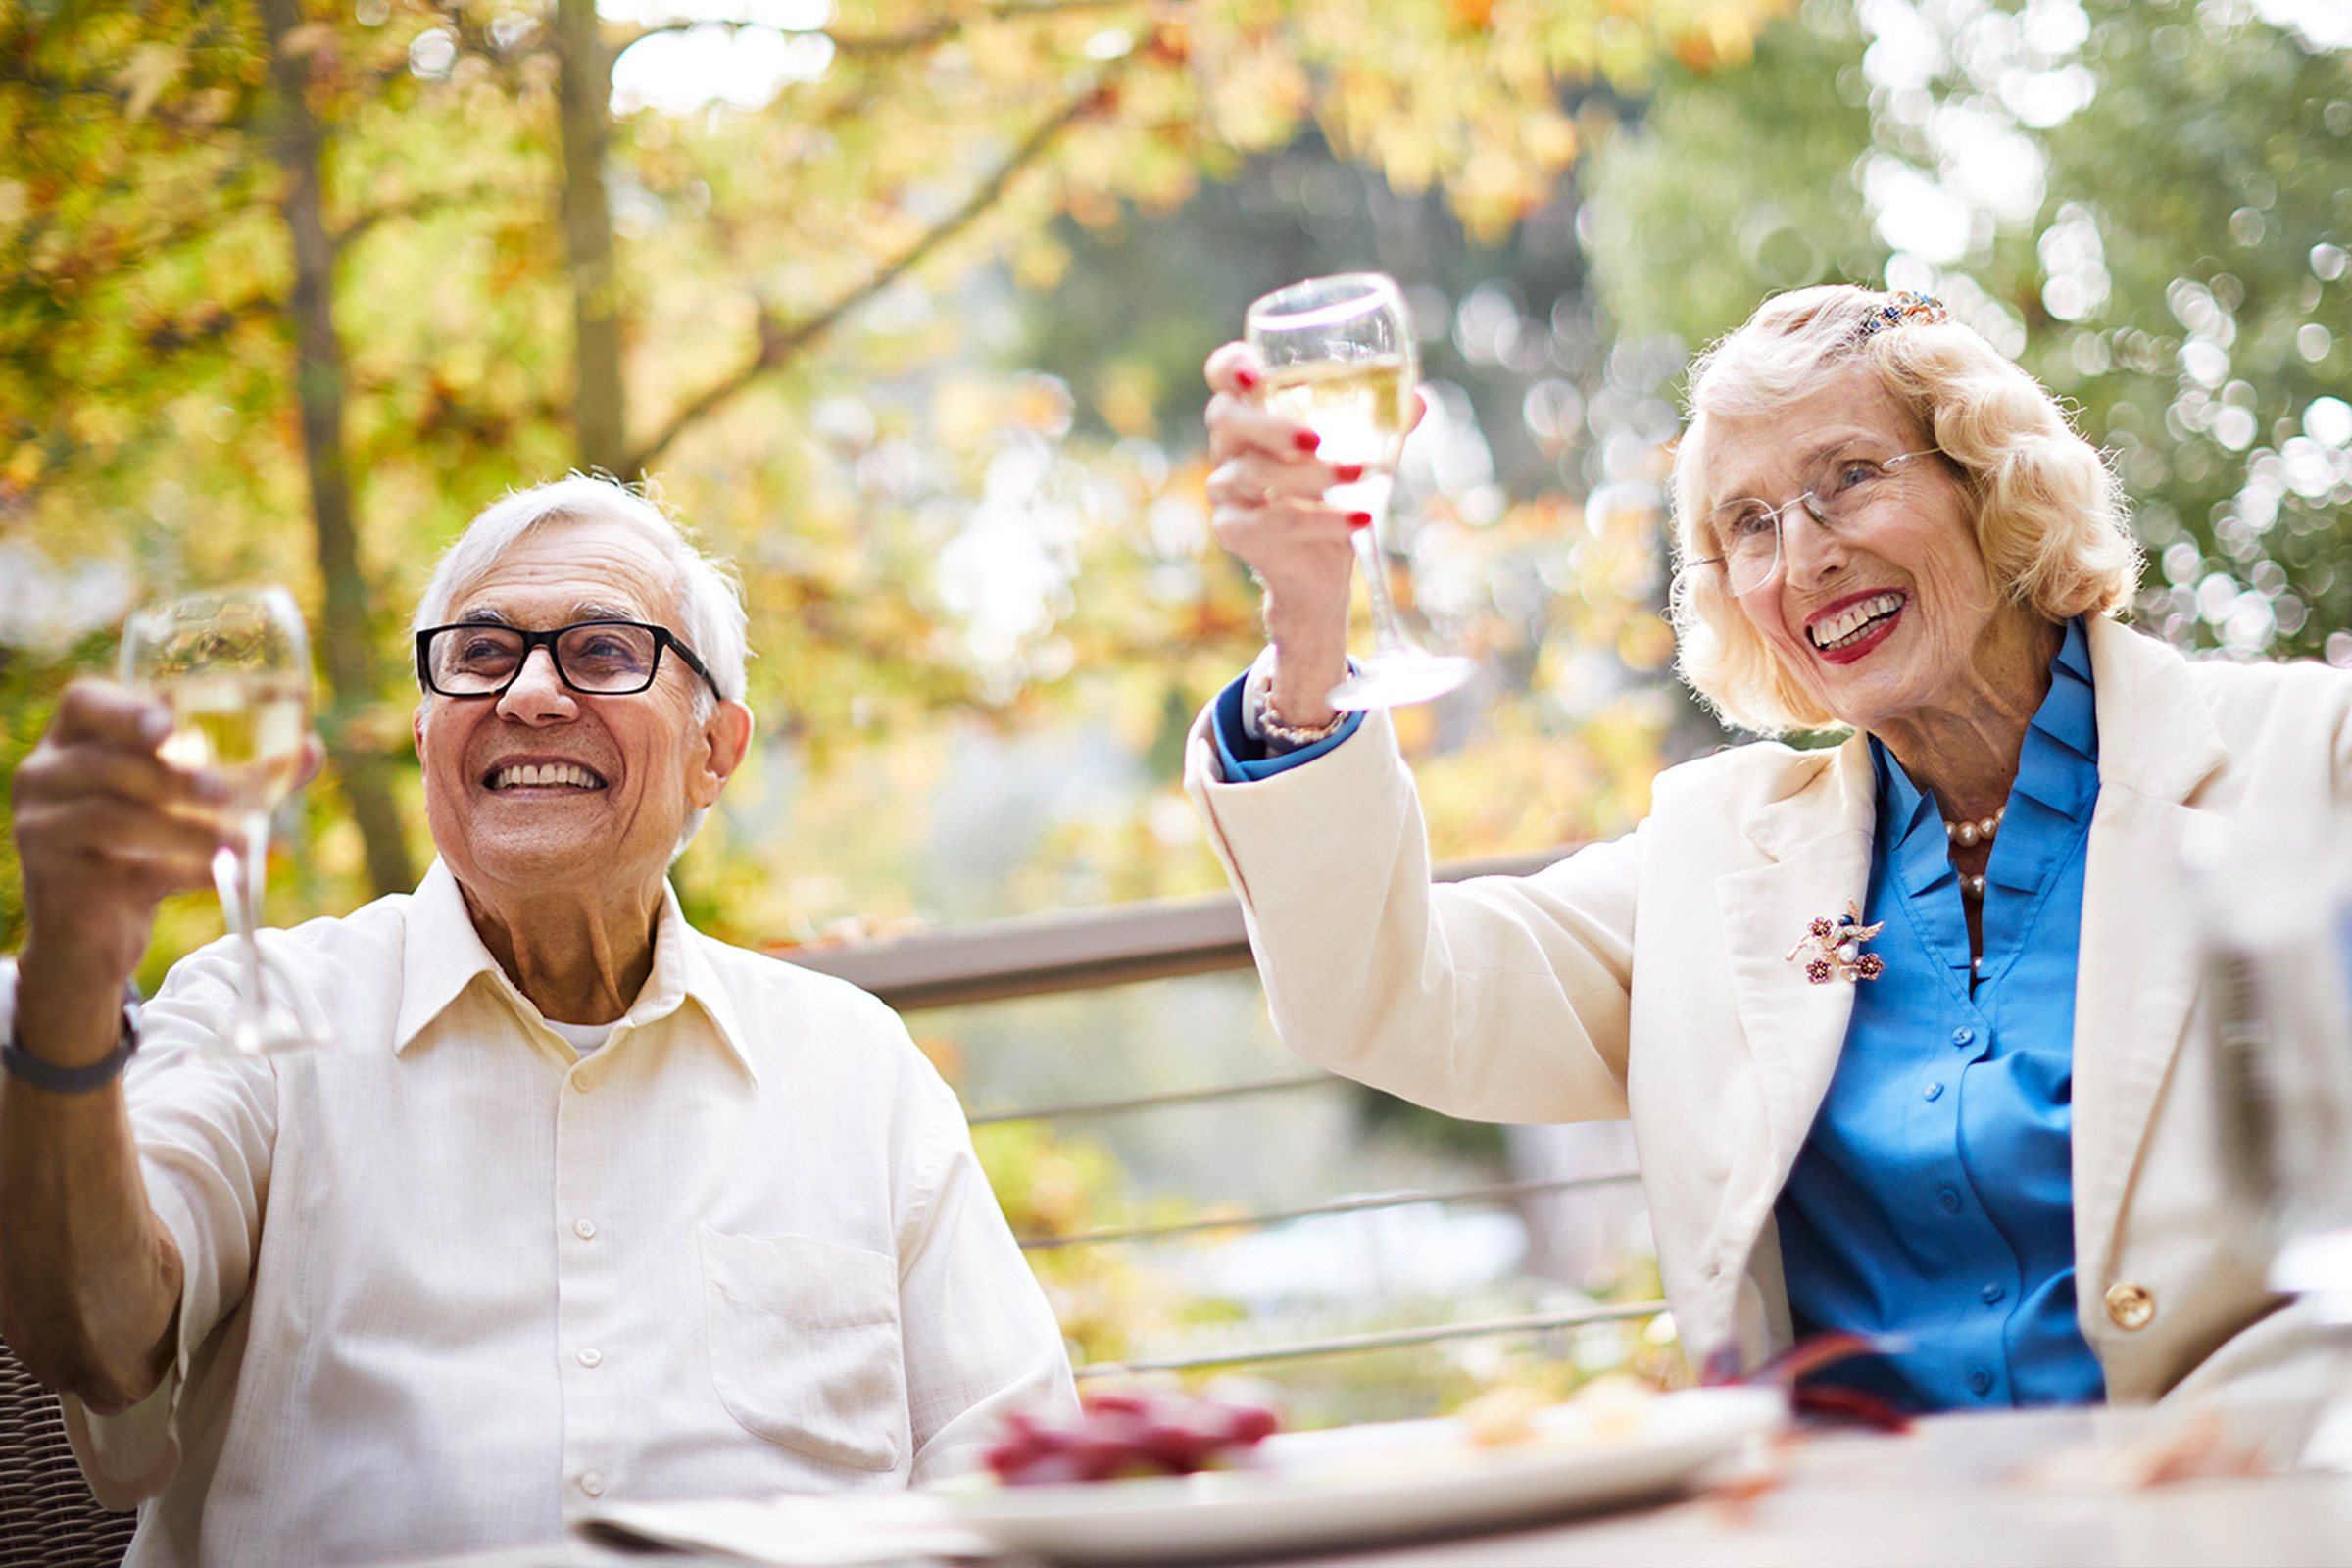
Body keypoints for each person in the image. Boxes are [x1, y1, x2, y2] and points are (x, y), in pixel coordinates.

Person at [1186, 284, 2352, 1411]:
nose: (1802, 561)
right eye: (1750, 526)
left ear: (1991, 483)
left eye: (1848, 478)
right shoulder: (1712, 858)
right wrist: (1307, 622)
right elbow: (1383, 992)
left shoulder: (2306, 760)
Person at [0, 477, 1075, 1567]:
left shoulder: (854, 1066)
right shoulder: (260, 1012)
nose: (530, 694)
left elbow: (1015, 1468)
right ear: (427, 735)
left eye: (605, 652)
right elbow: (94, 1332)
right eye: (479, 654)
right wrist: (70, 985)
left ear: (718, 750)